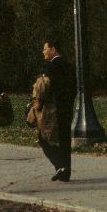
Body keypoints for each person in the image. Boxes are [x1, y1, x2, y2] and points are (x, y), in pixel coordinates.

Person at [38, 38, 76, 182]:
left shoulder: (49, 67)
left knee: (44, 139)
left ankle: (60, 165)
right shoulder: (69, 66)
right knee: (65, 139)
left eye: (45, 48)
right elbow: (73, 88)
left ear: (53, 49)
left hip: (52, 110)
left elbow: (44, 89)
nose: (43, 51)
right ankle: (66, 173)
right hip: (67, 108)